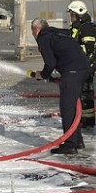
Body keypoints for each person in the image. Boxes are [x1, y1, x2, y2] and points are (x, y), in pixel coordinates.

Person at [30, 18, 91, 154]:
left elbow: (50, 63)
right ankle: (77, 140)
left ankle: (70, 144)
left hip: (72, 70)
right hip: (82, 68)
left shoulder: (43, 37)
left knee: (67, 107)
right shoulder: (56, 34)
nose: (33, 34)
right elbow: (62, 56)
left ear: (36, 29)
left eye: (32, 30)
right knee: (73, 105)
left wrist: (43, 75)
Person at [67, 0, 96, 129]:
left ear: (79, 14)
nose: (70, 17)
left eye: (72, 14)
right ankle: (81, 120)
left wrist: (72, 50)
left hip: (85, 66)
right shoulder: (77, 27)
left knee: (85, 95)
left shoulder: (87, 27)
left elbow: (89, 47)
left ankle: (87, 122)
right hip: (79, 66)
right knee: (80, 95)